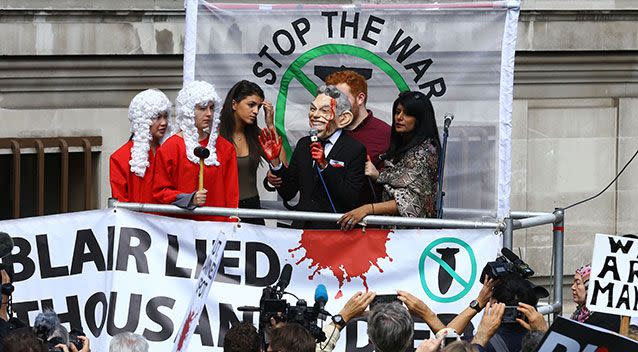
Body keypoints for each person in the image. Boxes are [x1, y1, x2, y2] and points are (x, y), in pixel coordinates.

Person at [261, 85, 366, 229]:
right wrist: (276, 163)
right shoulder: (304, 144)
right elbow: (288, 192)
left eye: (324, 110)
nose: (315, 115)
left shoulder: (354, 149)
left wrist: (325, 165)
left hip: (335, 234)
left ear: (343, 118)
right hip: (302, 231)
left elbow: (350, 199)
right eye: (312, 109)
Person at [338, 91, 440, 230]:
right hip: (394, 233)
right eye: (397, 112)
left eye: (408, 114)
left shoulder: (425, 151)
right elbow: (397, 179)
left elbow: (409, 201)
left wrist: (367, 209)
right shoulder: (402, 146)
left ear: (420, 119)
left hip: (414, 237)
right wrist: (378, 175)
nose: (399, 117)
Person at [153, 80, 239, 221]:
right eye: (202, 108)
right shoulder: (170, 148)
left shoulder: (225, 148)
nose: (209, 114)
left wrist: (231, 224)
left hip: (217, 230)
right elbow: (160, 192)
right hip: (182, 231)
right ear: (188, 110)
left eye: (211, 108)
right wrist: (189, 199)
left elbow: (232, 194)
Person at [325, 70, 391, 203]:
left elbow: (403, 187)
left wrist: (378, 175)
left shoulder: (386, 134)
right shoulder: (326, 130)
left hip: (367, 219)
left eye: (341, 98)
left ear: (360, 98)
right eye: (331, 99)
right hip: (326, 217)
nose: (335, 105)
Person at [219, 80, 278, 225]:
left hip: (252, 209)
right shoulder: (215, 135)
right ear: (234, 104)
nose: (256, 111)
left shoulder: (256, 135)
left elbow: (281, 164)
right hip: (222, 207)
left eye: (258, 106)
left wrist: (270, 125)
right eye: (251, 105)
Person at [110, 88, 172, 203]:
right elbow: (120, 204)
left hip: (168, 220)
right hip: (136, 220)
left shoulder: (171, 152)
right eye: (157, 117)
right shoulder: (120, 157)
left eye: (165, 116)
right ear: (143, 120)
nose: (164, 123)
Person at [571, 264, 620, 332]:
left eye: (578, 283)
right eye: (574, 283)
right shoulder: (580, 313)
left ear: (590, 287)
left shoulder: (607, 318)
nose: (573, 287)